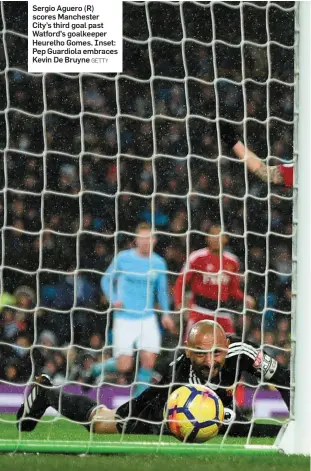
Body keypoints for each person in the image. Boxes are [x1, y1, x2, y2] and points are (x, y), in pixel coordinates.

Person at [16, 320, 289, 438]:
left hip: (207, 406)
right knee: (103, 423)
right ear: (188, 352)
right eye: (201, 354)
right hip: (163, 404)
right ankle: (46, 393)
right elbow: (226, 424)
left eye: (216, 353)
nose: (210, 360)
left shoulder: (243, 352)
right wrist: (283, 433)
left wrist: (302, 424)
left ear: (226, 348)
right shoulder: (181, 372)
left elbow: (286, 380)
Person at [98, 222, 175, 395]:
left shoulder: (158, 262)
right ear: (136, 240)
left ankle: (137, 404)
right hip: (124, 317)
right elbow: (106, 279)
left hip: (147, 317)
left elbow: (162, 291)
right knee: (125, 365)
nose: (146, 242)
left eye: (149, 238)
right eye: (142, 238)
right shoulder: (124, 258)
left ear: (154, 240)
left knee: (149, 361)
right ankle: (95, 370)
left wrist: (166, 314)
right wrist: (114, 299)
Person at [173, 223, 255, 336]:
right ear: (207, 238)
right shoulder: (197, 257)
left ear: (225, 238)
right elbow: (180, 281)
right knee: (193, 349)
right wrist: (178, 302)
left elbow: (232, 290)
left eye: (219, 235)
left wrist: (244, 298)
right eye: (212, 235)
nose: (216, 238)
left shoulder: (233, 261)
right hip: (200, 311)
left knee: (229, 350)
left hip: (223, 313)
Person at [220, 120, 294, 187]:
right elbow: (266, 173)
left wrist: (234, 143)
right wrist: (233, 142)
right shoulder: (300, 172)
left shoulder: (300, 173)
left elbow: (266, 173)